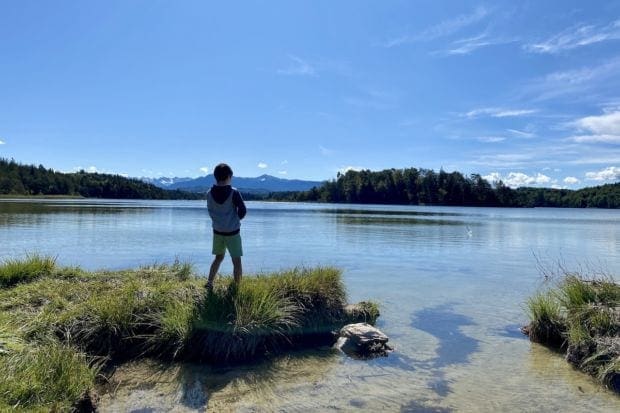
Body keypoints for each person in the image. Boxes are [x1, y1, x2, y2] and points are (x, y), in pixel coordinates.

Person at [206, 163, 246, 291]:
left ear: (215, 177)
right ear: (229, 176)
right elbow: (243, 210)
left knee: (218, 258)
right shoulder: (234, 192)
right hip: (232, 232)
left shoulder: (209, 193)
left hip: (217, 231)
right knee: (236, 261)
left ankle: (209, 282)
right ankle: (237, 287)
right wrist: (235, 219)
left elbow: (210, 211)